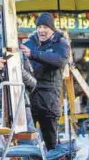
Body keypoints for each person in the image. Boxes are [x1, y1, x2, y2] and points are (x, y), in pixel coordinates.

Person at [20, 13, 69, 150]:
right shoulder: (29, 43)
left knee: (51, 144)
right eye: (39, 27)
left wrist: (33, 54)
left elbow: (59, 60)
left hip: (49, 100)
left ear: (52, 29)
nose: (41, 30)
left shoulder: (61, 44)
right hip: (29, 98)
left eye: (45, 27)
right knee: (27, 143)